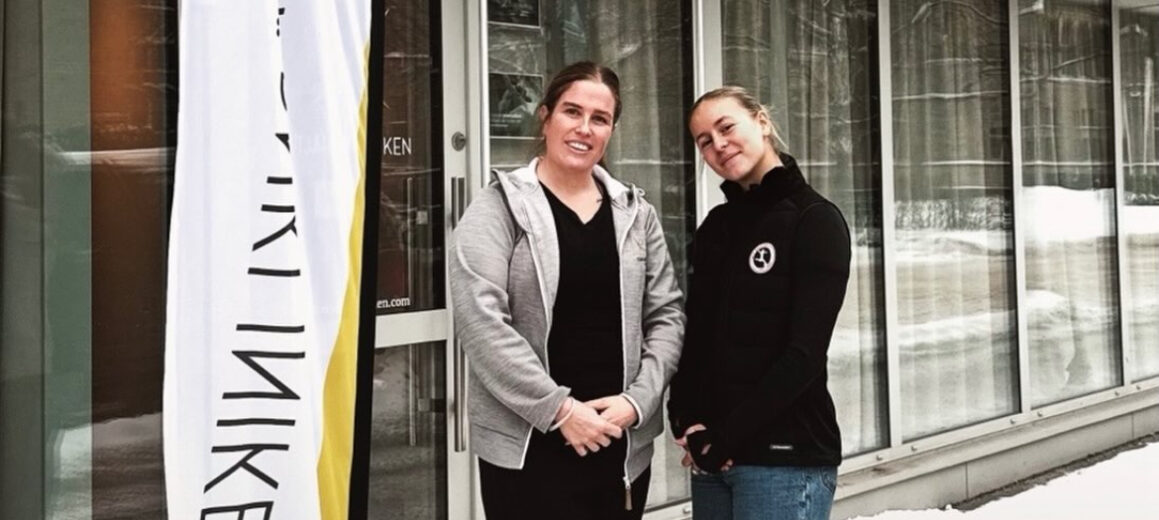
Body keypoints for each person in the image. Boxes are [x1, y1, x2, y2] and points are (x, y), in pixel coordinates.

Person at [449, 61, 685, 520]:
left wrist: (637, 402)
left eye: (600, 118)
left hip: (618, 443)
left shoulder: (636, 214)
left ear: (611, 130)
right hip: (529, 449)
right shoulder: (498, 207)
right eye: (572, 112)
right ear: (546, 117)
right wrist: (560, 411)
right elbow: (481, 322)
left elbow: (667, 315)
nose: (584, 128)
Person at [667, 86, 851, 520]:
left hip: (784, 460)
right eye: (704, 141)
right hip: (713, 458)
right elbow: (697, 335)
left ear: (762, 122)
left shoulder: (814, 219)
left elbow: (803, 356)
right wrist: (686, 419)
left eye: (726, 127)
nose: (718, 144)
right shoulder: (716, 227)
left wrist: (727, 437)